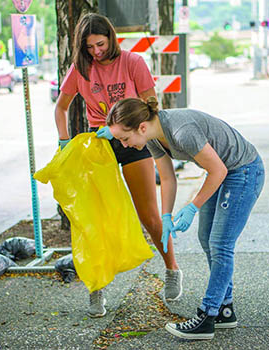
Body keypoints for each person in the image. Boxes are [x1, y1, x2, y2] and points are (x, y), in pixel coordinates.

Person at [54, 13, 182, 318]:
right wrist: (64, 140)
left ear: (111, 37)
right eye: (89, 48)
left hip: (135, 140)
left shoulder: (133, 62)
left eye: (100, 44)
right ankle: (96, 289)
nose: (96, 51)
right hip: (99, 146)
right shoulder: (81, 69)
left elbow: (152, 107)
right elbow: (60, 107)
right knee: (94, 221)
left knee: (149, 215)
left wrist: (125, 127)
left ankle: (172, 268)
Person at [106, 96, 265, 340]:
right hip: (224, 171)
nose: (124, 145)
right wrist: (166, 215)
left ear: (142, 127)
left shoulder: (181, 131)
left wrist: (192, 206)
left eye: (124, 139)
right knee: (206, 238)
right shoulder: (154, 138)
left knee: (220, 245)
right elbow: (168, 178)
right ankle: (225, 308)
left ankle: (207, 317)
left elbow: (219, 170)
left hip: (243, 170)